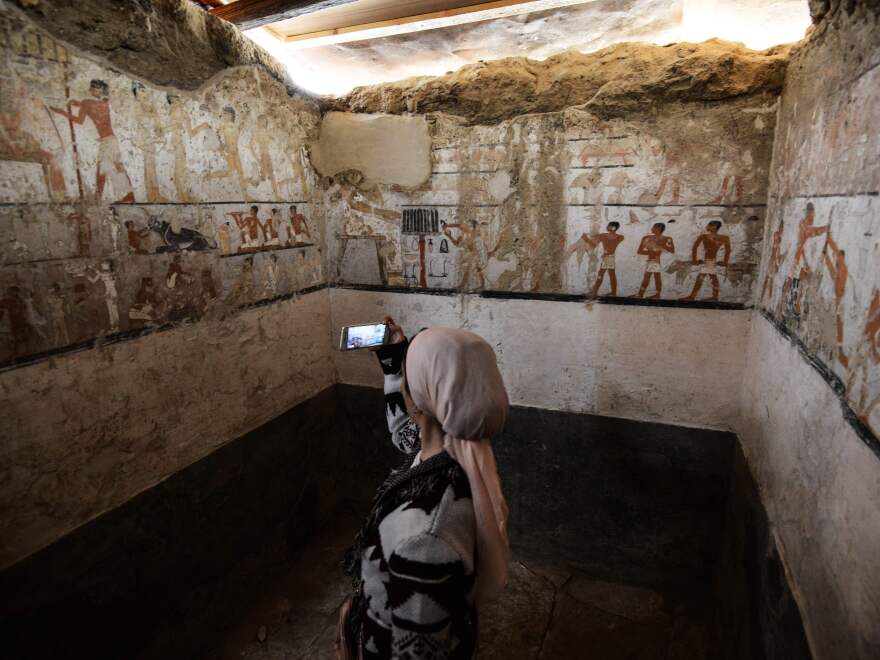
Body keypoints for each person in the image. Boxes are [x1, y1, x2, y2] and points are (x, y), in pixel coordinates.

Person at [337, 319, 510, 660]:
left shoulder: (427, 538)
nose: (403, 382)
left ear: (421, 399)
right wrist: (394, 364)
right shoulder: (457, 452)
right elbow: (407, 435)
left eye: (408, 376)